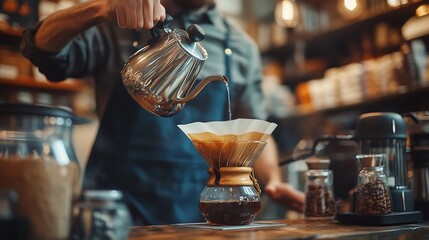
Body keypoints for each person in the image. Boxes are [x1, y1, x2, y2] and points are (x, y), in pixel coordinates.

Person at [21, 0, 304, 225]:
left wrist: (274, 182)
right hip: (116, 210)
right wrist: (104, 7)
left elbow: (253, 131)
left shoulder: (242, 47)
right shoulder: (119, 18)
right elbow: (39, 50)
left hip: (201, 212)